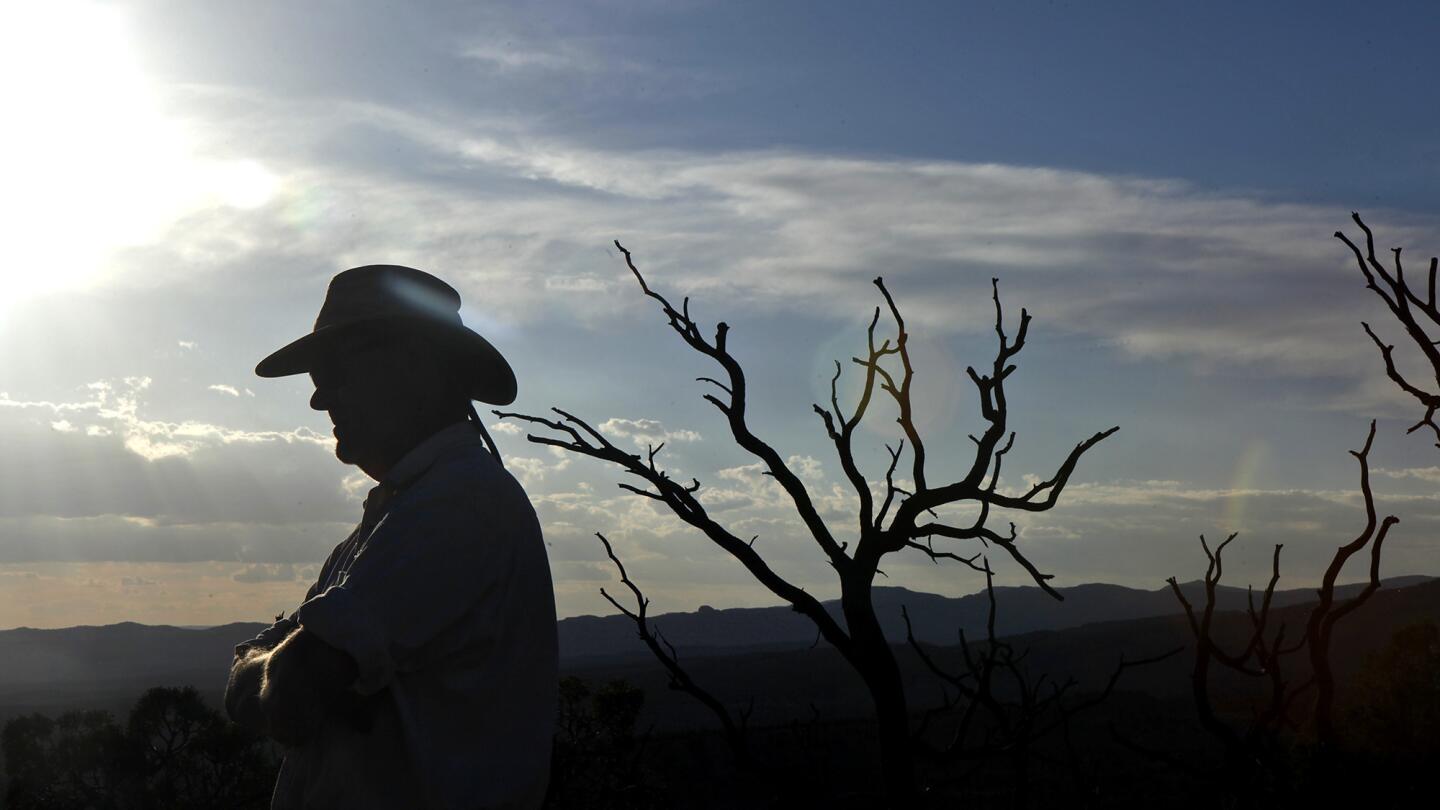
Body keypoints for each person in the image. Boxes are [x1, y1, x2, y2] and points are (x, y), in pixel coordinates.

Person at [225, 265, 558, 809]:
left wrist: (255, 664)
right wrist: (284, 664)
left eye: (333, 372)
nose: (318, 400)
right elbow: (293, 676)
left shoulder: (458, 504)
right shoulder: (401, 516)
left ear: (412, 368)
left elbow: (289, 690)